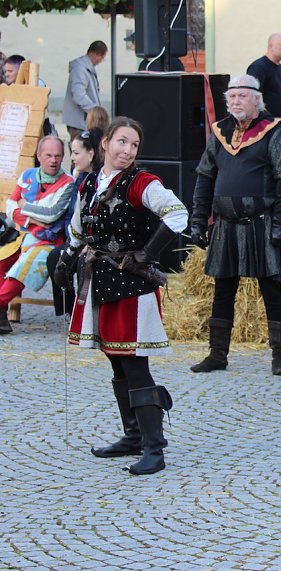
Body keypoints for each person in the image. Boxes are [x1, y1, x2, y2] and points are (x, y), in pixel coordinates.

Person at [54, 117, 187, 476]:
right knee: (115, 360)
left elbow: (178, 214)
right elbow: (79, 229)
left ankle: (154, 449)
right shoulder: (91, 183)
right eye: (122, 142)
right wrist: (67, 259)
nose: (127, 150)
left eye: (134, 145)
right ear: (106, 143)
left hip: (132, 284)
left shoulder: (141, 183)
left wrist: (149, 252)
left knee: (134, 362)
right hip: (99, 279)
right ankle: (132, 436)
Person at [188, 74, 281, 376]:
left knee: (271, 290)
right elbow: (205, 177)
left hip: (260, 224)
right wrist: (199, 219)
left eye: (242, 96)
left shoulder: (272, 131)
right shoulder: (219, 132)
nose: (236, 101)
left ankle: (280, 356)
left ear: (256, 100)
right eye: (232, 96)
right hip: (225, 226)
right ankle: (217, 355)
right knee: (223, 291)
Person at [0, 136, 75, 334]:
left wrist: (23, 205)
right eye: (49, 155)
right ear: (39, 156)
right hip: (22, 235)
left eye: (58, 156)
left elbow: (51, 215)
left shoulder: (68, 183)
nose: (53, 160)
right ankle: (1, 315)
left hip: (48, 241)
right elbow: (10, 206)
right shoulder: (27, 175)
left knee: (26, 266)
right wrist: (30, 218)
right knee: (1, 260)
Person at [46, 128, 104, 316]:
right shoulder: (79, 177)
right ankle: (69, 312)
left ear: (91, 153)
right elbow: (72, 216)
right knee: (55, 257)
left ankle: (82, 315)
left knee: (81, 263)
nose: (72, 157)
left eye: (76, 153)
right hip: (75, 240)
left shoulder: (100, 182)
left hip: (95, 244)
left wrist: (89, 243)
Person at [61, 41, 108, 145]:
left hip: (84, 120)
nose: (101, 61)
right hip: (80, 121)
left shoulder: (85, 68)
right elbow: (78, 96)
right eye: (102, 58)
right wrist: (95, 111)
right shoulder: (80, 69)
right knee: (80, 151)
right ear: (97, 55)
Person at [247, 33, 281, 129]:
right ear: (271, 46)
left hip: (278, 125)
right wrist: (271, 121)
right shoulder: (258, 68)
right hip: (263, 126)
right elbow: (252, 99)